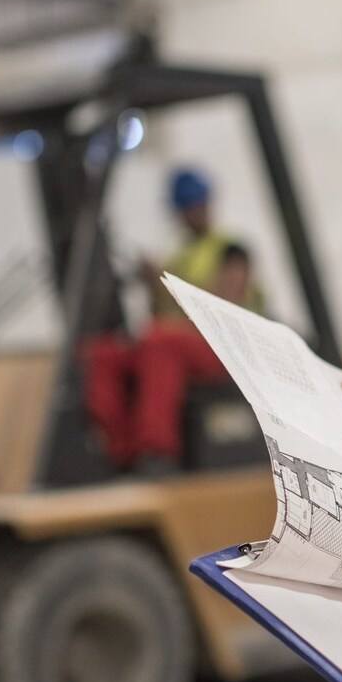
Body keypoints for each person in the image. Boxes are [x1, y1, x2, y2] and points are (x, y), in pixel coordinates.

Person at [82, 166, 263, 471]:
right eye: (187, 207)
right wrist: (153, 285)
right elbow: (159, 314)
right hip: (183, 344)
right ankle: (118, 451)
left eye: (198, 204)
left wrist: (168, 283)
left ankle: (157, 451)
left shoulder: (230, 250)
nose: (194, 212)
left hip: (226, 348)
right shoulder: (178, 255)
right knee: (103, 352)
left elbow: (223, 305)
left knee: (159, 342)